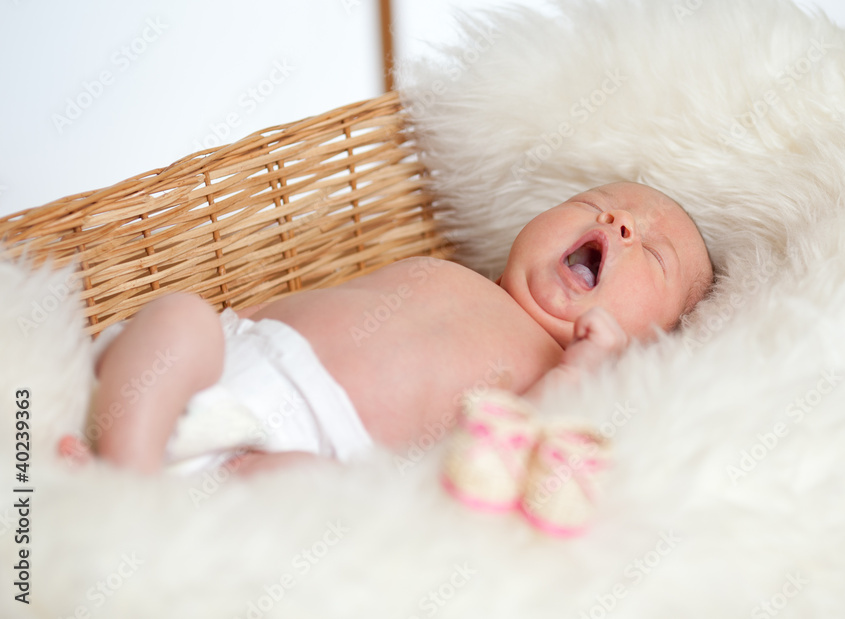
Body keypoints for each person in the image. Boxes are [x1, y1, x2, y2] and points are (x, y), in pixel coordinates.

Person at [58, 181, 713, 475]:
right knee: (180, 316)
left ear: (651, 342)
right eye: (593, 204)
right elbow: (307, 300)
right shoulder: (445, 269)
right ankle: (127, 469)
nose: (622, 223)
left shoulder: (553, 369)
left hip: (307, 449)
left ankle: (163, 504)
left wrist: (585, 368)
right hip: (226, 363)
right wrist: (240, 325)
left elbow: (504, 439)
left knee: (308, 497)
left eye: (653, 255)